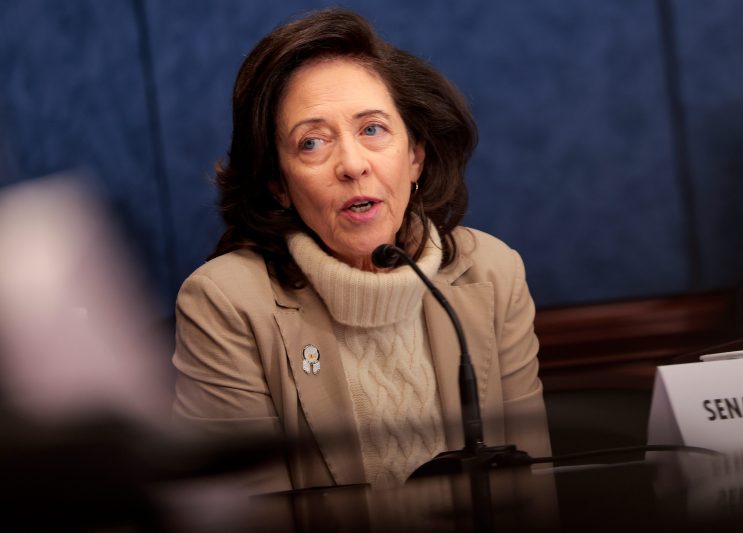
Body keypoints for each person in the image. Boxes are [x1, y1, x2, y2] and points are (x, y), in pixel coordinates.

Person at [172, 7, 552, 493]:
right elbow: (248, 515)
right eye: (312, 142)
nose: (352, 165)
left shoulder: (493, 274)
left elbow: (532, 492)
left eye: (372, 129)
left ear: (415, 157)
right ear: (278, 184)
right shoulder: (227, 303)